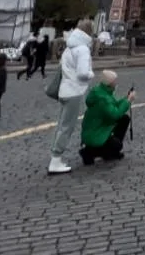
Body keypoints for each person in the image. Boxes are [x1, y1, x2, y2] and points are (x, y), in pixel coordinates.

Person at [49, 20, 95, 175]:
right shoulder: (82, 49)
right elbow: (82, 73)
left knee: (62, 125)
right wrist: (91, 74)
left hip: (64, 91)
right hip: (73, 92)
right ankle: (55, 160)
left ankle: (55, 158)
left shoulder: (70, 47)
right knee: (66, 128)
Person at [79, 70, 134, 165]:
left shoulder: (102, 92)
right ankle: (90, 152)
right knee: (117, 145)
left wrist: (126, 98)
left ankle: (107, 151)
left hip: (95, 130)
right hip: (95, 134)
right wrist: (128, 101)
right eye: (115, 81)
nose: (116, 83)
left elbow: (114, 106)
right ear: (110, 83)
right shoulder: (103, 99)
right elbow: (115, 114)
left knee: (124, 118)